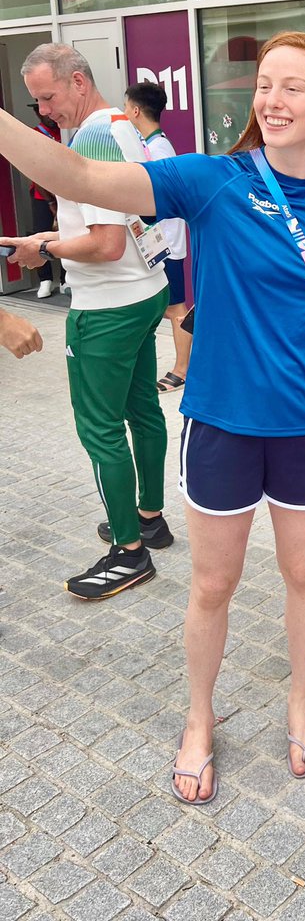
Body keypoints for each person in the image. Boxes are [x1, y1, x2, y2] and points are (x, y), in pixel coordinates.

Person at [0, 31, 305, 803]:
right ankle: (198, 717)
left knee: (304, 573)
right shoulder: (213, 181)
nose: (272, 100)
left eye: (294, 87)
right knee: (212, 584)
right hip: (223, 423)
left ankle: (300, 700)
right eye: (265, 84)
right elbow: (75, 170)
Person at [1, 43, 171, 598]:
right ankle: (149, 517)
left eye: (47, 97)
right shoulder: (122, 125)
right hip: (145, 291)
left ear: (78, 82)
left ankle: (128, 551)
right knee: (142, 407)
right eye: (35, 103)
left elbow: (104, 243)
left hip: (106, 306)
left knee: (99, 429)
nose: (44, 111)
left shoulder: (95, 135)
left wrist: (43, 245)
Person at [123, 80, 193, 393]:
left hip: (168, 245)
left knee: (177, 308)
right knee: (166, 307)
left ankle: (183, 369)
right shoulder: (149, 144)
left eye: (126, 106)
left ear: (136, 110)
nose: (125, 112)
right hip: (158, 244)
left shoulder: (159, 148)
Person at [26, 103, 64, 299]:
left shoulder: (64, 131)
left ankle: (65, 279)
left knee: (67, 234)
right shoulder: (36, 134)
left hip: (65, 195)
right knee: (41, 236)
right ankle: (45, 279)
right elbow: (36, 173)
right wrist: (51, 203)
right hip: (43, 196)